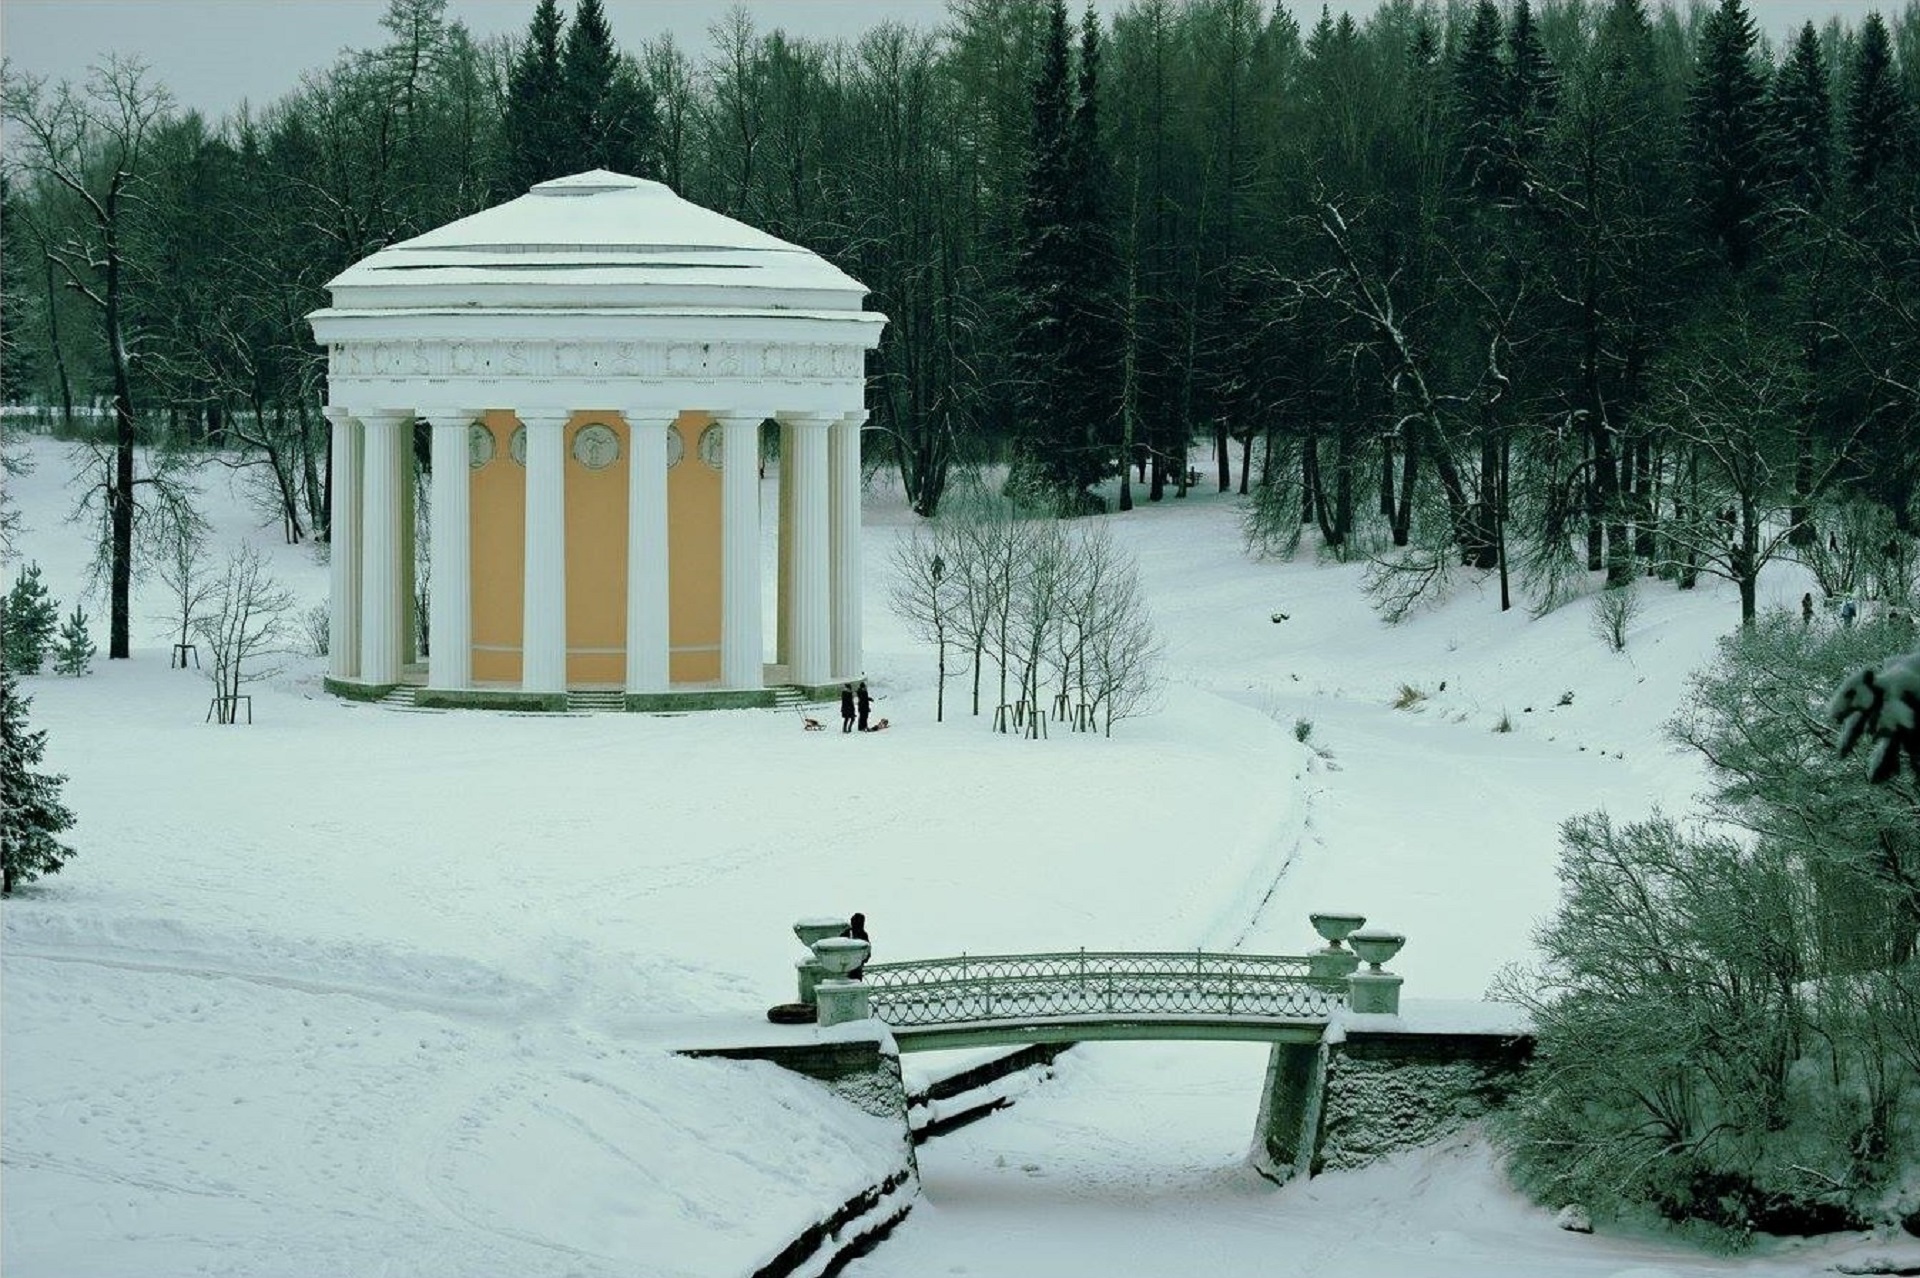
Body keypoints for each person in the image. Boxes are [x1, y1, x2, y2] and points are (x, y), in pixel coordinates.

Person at [843, 912, 869, 979]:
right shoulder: (863, 934)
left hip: (850, 964)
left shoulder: (847, 933)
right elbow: (867, 949)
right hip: (853, 965)